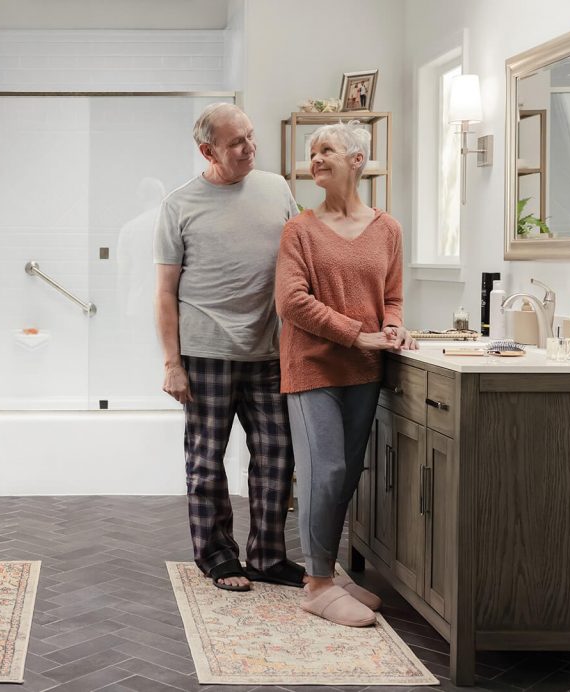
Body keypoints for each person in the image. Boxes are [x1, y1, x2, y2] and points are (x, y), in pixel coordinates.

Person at [154, 103, 303, 592]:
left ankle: (267, 555)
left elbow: (304, 257)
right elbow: (165, 293)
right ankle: (217, 555)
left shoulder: (277, 188)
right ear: (207, 150)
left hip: (267, 350)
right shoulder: (180, 204)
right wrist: (172, 363)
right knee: (206, 460)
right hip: (206, 351)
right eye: (236, 142)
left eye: (250, 136)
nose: (249, 147)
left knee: (277, 455)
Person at [275, 120, 417, 626]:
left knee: (347, 476)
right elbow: (291, 301)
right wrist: (357, 333)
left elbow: (393, 297)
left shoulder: (388, 229)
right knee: (325, 471)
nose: (315, 158)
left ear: (357, 160)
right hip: (311, 366)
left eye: (326, 150)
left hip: (364, 370)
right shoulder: (299, 230)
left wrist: (394, 327)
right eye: (312, 152)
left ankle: (327, 572)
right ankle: (315, 586)